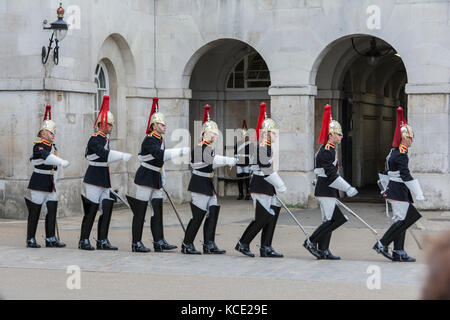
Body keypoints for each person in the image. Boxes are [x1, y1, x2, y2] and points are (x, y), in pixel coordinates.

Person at [126, 97, 189, 253]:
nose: (164, 126)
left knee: (157, 211)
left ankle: (159, 241)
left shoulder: (160, 138)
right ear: (154, 125)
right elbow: (159, 155)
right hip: (146, 178)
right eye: (161, 124)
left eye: (165, 124)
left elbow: (159, 162)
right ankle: (136, 243)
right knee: (140, 212)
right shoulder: (149, 139)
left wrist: (163, 176)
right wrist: (179, 151)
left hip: (155, 177)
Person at [304, 104, 358, 260]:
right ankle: (311, 242)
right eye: (338, 134)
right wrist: (348, 188)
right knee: (331, 220)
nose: (341, 136)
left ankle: (324, 249)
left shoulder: (330, 149)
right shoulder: (326, 151)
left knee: (332, 220)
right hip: (326, 189)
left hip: (328, 189)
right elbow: (332, 175)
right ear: (331, 135)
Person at [182, 104, 238, 255]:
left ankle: (209, 243)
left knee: (212, 213)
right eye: (213, 133)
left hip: (208, 184)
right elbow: (212, 161)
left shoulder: (208, 148)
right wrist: (230, 160)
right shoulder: (199, 148)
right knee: (198, 216)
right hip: (199, 185)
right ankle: (187, 244)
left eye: (216, 133)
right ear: (205, 134)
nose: (216, 136)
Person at [78, 95, 132, 251]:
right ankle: (84, 240)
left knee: (106, 209)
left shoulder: (106, 139)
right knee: (91, 210)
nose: (111, 127)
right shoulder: (95, 139)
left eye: (111, 125)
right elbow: (103, 154)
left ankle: (102, 240)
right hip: (94, 178)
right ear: (101, 124)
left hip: (103, 177)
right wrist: (121, 156)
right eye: (109, 125)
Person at [235, 102, 286, 258]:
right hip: (260, 186)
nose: (276, 135)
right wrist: (280, 184)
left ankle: (266, 246)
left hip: (267, 186)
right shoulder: (263, 147)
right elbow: (266, 169)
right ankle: (243, 243)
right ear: (266, 133)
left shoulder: (267, 146)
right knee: (262, 217)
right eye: (273, 132)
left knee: (271, 215)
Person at [374, 107, 423, 262]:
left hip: (395, 189)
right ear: (403, 138)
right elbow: (405, 175)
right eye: (410, 137)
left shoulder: (394, 152)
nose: (412, 140)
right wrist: (418, 192)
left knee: (402, 220)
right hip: (398, 190)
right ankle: (382, 243)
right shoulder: (401, 155)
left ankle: (398, 251)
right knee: (404, 219)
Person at [25, 105, 70, 248]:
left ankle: (50, 238)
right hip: (39, 182)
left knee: (52, 209)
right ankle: (30, 238)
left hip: (50, 182)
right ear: (43, 134)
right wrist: (61, 162)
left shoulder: (53, 147)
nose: (53, 135)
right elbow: (45, 157)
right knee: (35, 210)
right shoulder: (39, 146)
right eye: (51, 133)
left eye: (54, 133)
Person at [234, 120, 251, 200]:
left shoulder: (250, 144)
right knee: (239, 179)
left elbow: (252, 155)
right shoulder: (238, 143)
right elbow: (235, 153)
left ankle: (248, 193)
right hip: (239, 163)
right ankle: (240, 193)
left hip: (247, 163)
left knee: (247, 179)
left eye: (245, 135)